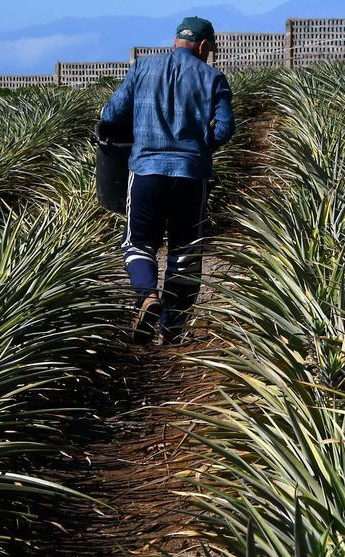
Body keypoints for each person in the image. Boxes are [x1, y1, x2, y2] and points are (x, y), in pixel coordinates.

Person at [100, 16, 235, 345]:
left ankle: (147, 297)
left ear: (177, 40)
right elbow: (226, 128)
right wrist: (201, 147)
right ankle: (172, 328)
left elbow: (111, 114)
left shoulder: (142, 68)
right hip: (190, 175)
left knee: (138, 243)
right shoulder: (213, 77)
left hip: (146, 171)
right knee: (185, 250)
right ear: (203, 46)